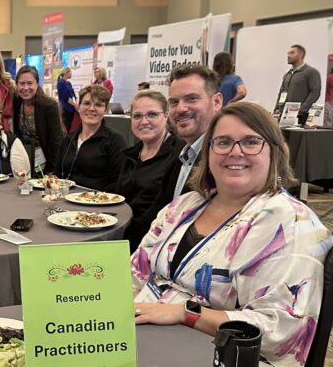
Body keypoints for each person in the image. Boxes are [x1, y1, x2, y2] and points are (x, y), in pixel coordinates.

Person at [131, 102, 332, 367]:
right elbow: (135, 271)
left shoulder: (290, 224)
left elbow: (276, 329)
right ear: (209, 152)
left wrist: (184, 314)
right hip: (146, 336)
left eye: (251, 142)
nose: (235, 152)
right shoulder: (185, 205)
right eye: (223, 142)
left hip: (219, 355)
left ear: (274, 152)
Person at [137, 64, 223, 237]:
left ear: (217, 101)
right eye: (174, 102)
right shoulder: (182, 158)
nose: (181, 108)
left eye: (191, 99)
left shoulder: (223, 160)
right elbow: (156, 217)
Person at [110, 90, 185, 251]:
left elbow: (165, 210)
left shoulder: (179, 155)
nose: (144, 121)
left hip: (151, 243)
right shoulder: (131, 154)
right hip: (120, 234)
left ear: (166, 116)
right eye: (137, 116)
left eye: (152, 114)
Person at [57, 85, 126, 189]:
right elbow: (57, 174)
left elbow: (119, 181)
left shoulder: (115, 140)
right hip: (66, 200)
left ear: (106, 110)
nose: (92, 108)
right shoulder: (68, 139)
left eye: (98, 105)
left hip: (98, 202)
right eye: (86, 103)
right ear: (79, 107)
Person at [12, 66, 63, 174]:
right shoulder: (16, 102)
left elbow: (56, 140)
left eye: (30, 83)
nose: (26, 88)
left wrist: (51, 170)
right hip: (23, 157)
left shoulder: (49, 105)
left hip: (46, 159)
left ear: (37, 84)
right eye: (22, 83)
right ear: (16, 84)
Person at [275, 44, 322, 125]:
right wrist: (276, 109)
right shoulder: (287, 74)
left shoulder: (311, 72)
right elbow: (281, 93)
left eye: (292, 53)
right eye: (288, 53)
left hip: (301, 117)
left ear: (300, 54)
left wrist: (301, 110)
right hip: (284, 115)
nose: (288, 56)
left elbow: (315, 92)